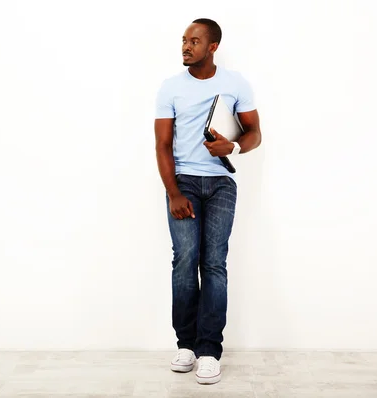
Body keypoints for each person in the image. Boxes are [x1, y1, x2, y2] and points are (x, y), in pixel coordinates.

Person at [154, 18, 262, 385]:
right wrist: (173, 193)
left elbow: (255, 133)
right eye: (184, 40)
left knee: (214, 263)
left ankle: (209, 350)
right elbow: (162, 145)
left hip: (220, 184)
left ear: (212, 46)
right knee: (184, 262)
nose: (186, 46)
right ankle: (186, 344)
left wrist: (231, 146)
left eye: (194, 41)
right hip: (183, 181)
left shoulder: (235, 84)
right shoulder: (170, 88)